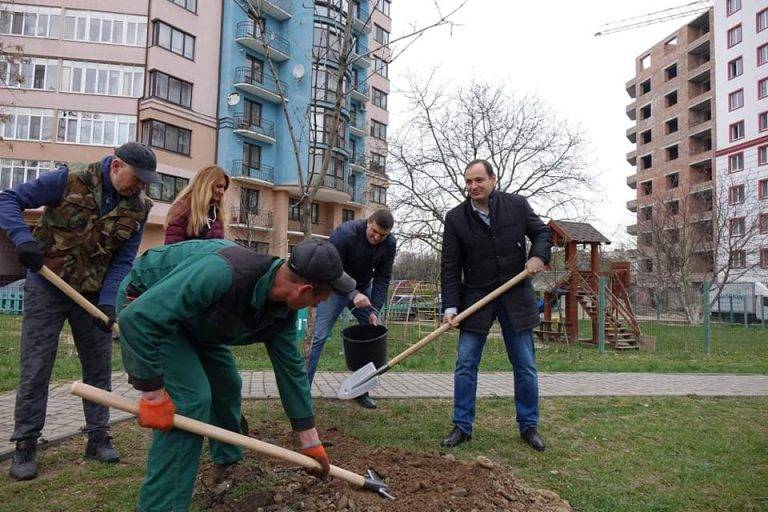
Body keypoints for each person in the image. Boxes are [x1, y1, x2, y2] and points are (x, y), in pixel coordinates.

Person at [117, 238, 355, 512]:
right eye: (317, 302)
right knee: (190, 401)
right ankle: (160, 507)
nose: (313, 308)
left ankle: (228, 464)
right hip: (148, 300)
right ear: (304, 290)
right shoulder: (225, 274)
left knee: (227, 384)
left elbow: (292, 371)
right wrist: (154, 395)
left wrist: (309, 441)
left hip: (196, 318)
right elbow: (138, 318)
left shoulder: (282, 314)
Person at [0, 142, 158, 480]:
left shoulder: (139, 208)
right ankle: (25, 443)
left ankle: (97, 436)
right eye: (137, 178)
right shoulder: (67, 179)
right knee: (36, 365)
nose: (140, 186)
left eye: (146, 182)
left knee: (99, 368)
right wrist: (23, 240)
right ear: (116, 166)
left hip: (91, 294)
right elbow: (8, 199)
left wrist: (108, 301)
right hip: (47, 286)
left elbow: (123, 259)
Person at [440, 159, 551, 451]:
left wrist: (539, 256)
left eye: (479, 180)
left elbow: (542, 233)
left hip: (516, 294)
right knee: (465, 364)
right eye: (468, 182)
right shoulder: (456, 218)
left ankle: (529, 426)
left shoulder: (517, 205)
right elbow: (450, 267)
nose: (473, 186)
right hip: (476, 298)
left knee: (525, 365)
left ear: (493, 179)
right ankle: (462, 426)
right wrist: (450, 307)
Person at [305, 209, 396, 409]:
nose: (377, 238)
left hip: (363, 288)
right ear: (368, 222)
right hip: (334, 287)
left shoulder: (389, 244)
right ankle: (302, 394)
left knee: (370, 336)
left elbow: (383, 278)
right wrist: (352, 294)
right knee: (318, 337)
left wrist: (375, 311)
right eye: (374, 232)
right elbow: (331, 269)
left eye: (383, 235)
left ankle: (361, 390)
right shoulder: (345, 233)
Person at [164, 165, 230, 244]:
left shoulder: (218, 213)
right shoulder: (182, 208)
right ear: (206, 185)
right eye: (219, 186)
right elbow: (173, 247)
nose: (222, 192)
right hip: (187, 256)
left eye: (224, 188)